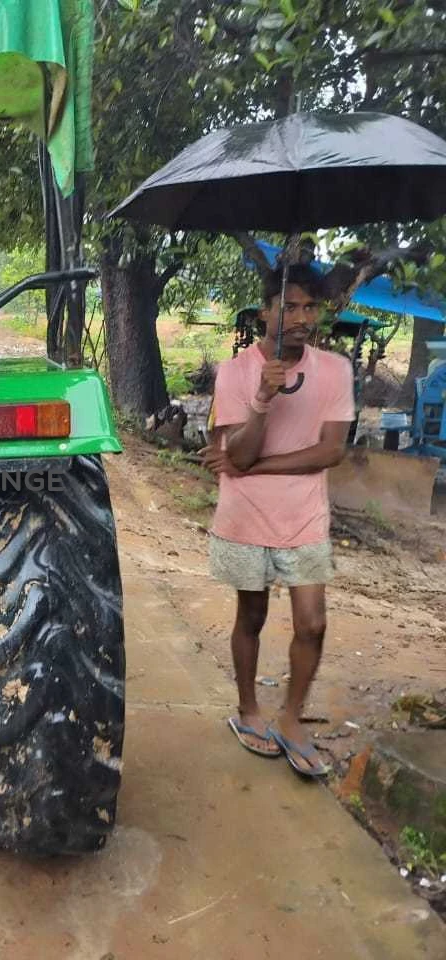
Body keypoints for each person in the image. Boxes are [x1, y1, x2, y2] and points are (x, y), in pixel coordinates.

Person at [201, 265, 354, 778]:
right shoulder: (235, 372)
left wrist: (257, 467)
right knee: (252, 617)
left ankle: (291, 718)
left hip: (305, 516)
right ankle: (249, 709)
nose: (301, 317)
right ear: (265, 311)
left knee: (313, 621)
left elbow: (330, 451)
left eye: (310, 307)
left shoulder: (335, 370)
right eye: (289, 307)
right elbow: (235, 453)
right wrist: (262, 402)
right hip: (247, 516)